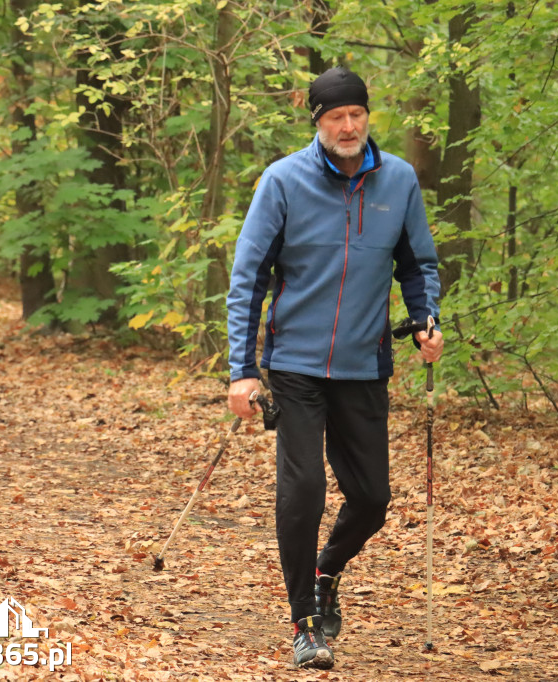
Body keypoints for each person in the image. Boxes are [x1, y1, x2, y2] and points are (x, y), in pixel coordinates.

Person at [226, 66, 443, 670]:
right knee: (304, 491)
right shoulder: (283, 182)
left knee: (372, 498)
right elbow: (249, 280)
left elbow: (418, 264)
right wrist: (242, 370)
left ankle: (325, 572)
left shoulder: (397, 180)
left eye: (355, 115)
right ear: (317, 123)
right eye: (333, 118)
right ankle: (305, 620)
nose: (346, 127)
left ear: (367, 116)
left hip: (364, 362)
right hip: (294, 364)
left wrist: (427, 318)